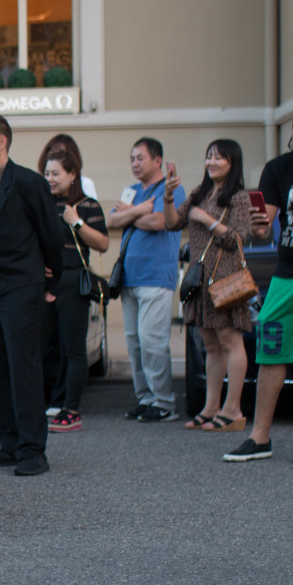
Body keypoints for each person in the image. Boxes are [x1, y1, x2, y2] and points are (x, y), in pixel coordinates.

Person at [0, 114, 63, 476]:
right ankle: (9, 444)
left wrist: (50, 282)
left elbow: (51, 236)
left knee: (24, 369)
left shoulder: (28, 182)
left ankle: (33, 450)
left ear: (1, 141)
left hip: (22, 290)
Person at [224, 109, 293, 462]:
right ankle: (260, 437)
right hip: (287, 272)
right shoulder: (278, 168)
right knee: (271, 351)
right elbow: (264, 229)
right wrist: (260, 225)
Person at [163, 140, 253, 432]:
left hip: (225, 279)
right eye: (209, 157)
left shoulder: (238, 197)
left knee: (230, 342)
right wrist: (167, 197)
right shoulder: (199, 192)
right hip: (200, 278)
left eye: (219, 158)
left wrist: (206, 219)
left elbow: (237, 238)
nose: (212, 162)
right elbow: (173, 223)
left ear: (232, 162)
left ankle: (233, 409)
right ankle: (211, 407)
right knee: (211, 346)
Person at [108, 137, 184, 423]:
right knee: (135, 342)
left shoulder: (170, 189)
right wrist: (139, 211)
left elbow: (160, 222)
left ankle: (164, 402)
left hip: (155, 276)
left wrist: (127, 215)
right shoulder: (131, 191)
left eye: (140, 158)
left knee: (152, 340)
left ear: (157, 161)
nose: (135, 164)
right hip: (129, 278)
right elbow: (111, 222)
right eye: (132, 159)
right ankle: (146, 398)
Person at [43, 149, 108, 432]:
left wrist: (76, 221)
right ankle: (44, 403)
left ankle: (71, 409)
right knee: (39, 347)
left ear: (72, 175)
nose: (50, 179)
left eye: (55, 173)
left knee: (74, 348)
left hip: (72, 281)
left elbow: (103, 244)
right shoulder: (43, 203)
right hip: (45, 282)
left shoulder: (88, 205)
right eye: (46, 174)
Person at [37, 133, 99, 201]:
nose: (50, 179)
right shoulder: (40, 184)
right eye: (52, 154)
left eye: (61, 154)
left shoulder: (85, 183)